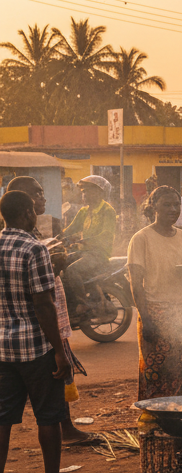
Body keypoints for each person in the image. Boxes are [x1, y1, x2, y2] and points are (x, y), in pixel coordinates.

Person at [0, 190, 84, 473]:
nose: (36, 213)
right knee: (48, 416)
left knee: (2, 419)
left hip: (3, 351)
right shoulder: (34, 249)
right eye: (33, 209)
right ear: (25, 213)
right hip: (35, 349)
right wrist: (60, 352)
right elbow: (44, 304)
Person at [5, 177, 94, 445]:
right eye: (36, 195)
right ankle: (62, 434)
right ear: (25, 206)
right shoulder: (29, 243)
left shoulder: (30, 233)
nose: (41, 199)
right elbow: (37, 297)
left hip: (18, 334)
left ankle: (66, 425)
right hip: (37, 332)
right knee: (52, 390)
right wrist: (54, 266)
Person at [126, 186, 182, 400]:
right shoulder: (141, 239)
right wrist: (146, 320)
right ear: (153, 207)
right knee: (155, 370)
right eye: (167, 204)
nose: (173, 209)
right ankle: (153, 418)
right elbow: (136, 284)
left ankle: (180, 416)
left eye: (176, 205)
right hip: (155, 313)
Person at [63, 176, 117, 319]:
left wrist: (84, 240)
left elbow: (106, 234)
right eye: (83, 192)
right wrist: (55, 239)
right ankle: (69, 305)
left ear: (99, 193)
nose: (84, 195)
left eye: (88, 191)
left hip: (99, 254)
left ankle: (83, 304)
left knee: (72, 270)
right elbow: (70, 229)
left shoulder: (107, 211)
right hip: (84, 252)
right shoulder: (83, 212)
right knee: (60, 263)